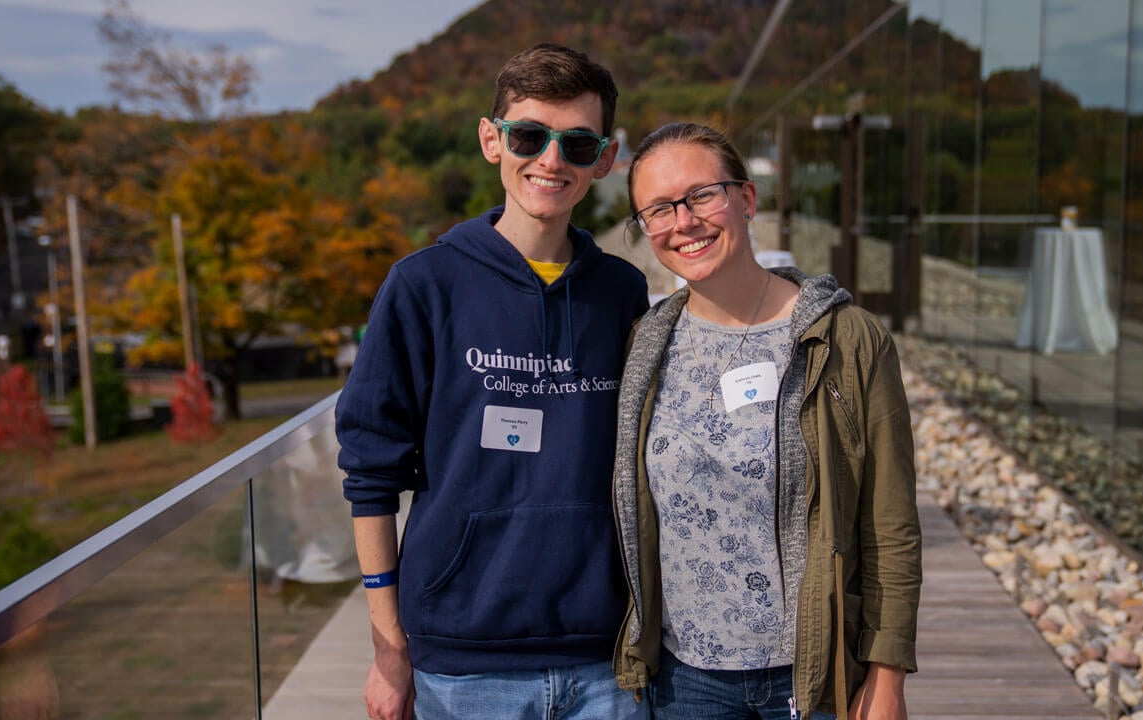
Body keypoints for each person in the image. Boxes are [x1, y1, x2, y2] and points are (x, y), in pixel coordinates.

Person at [336, 43, 649, 720]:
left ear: (606, 158)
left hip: (606, 659)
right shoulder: (423, 286)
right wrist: (390, 649)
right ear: (491, 139)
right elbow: (370, 474)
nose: (550, 160)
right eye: (529, 136)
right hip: (463, 661)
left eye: (576, 143)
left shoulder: (623, 292)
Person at [611, 122, 921, 720]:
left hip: (813, 674)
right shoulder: (646, 344)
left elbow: (891, 524)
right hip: (684, 679)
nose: (684, 221)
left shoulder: (844, 339)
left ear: (746, 200)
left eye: (702, 195)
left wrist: (887, 677)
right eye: (658, 210)